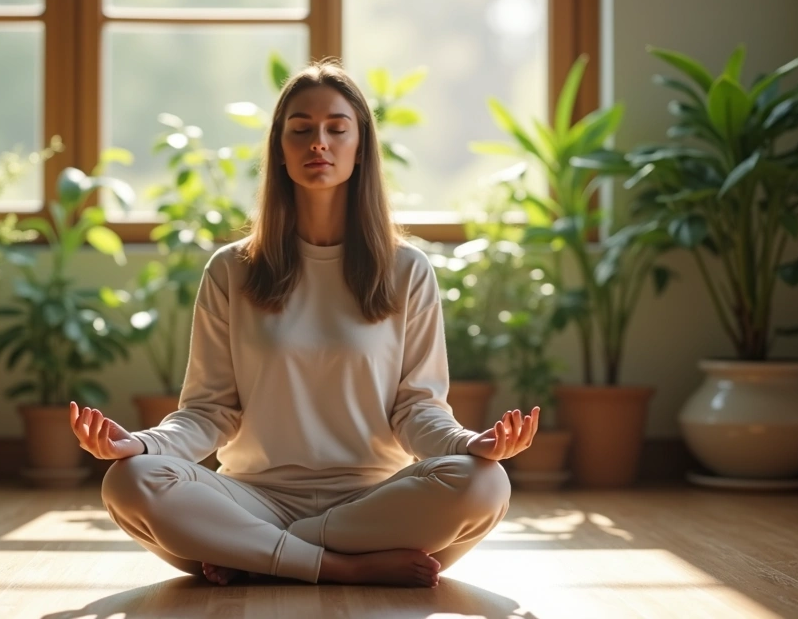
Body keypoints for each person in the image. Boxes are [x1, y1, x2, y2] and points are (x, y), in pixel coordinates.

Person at [69, 59, 539, 589]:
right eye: (301, 130)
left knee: (485, 484)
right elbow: (209, 410)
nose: (320, 142)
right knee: (128, 482)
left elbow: (417, 408)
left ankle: (260, 556)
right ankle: (340, 566)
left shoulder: (407, 270)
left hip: (372, 503)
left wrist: (467, 445)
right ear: (280, 148)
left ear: (361, 148)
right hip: (251, 497)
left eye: (337, 129)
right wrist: (143, 444)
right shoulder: (232, 269)